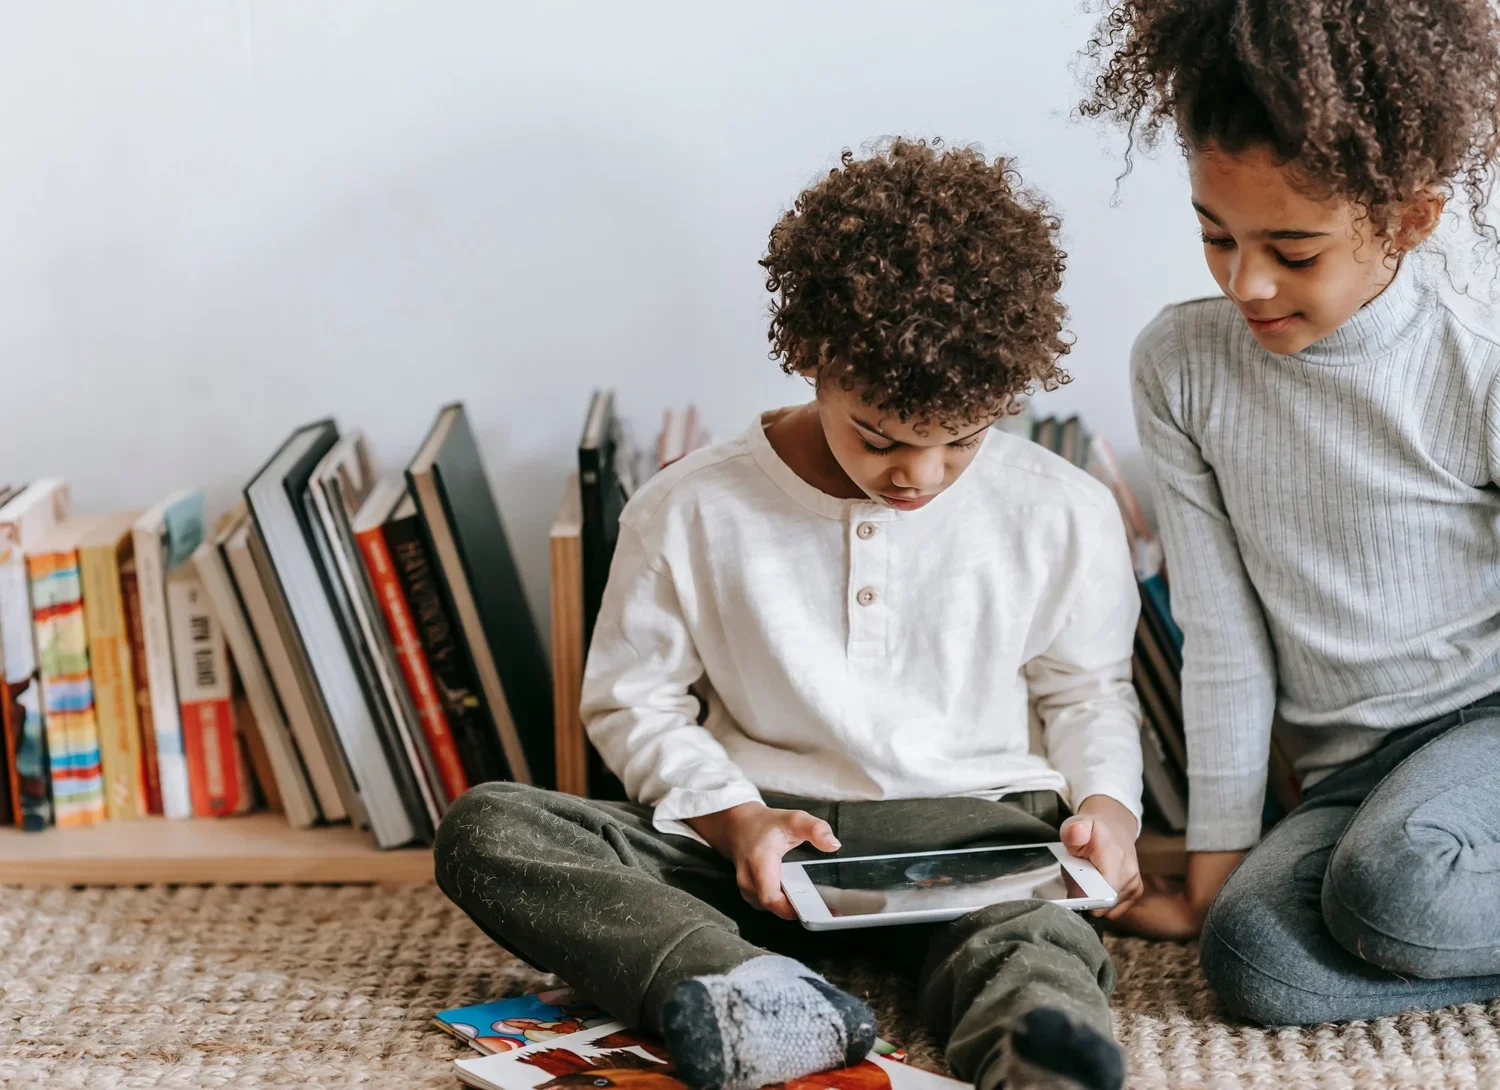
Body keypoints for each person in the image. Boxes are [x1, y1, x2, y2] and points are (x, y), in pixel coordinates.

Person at [436, 138, 1144, 1090]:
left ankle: (1044, 1060)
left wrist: (1106, 806)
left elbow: (1086, 690)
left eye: (963, 442)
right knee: (491, 828)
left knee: (1029, 941)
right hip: (765, 845)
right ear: (813, 358)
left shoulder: (1062, 509)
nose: (918, 476)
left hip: (977, 837)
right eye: (883, 437)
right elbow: (634, 701)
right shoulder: (688, 506)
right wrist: (734, 818)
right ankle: (749, 991)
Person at [1081, 0, 1500, 1025]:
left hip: (1483, 729)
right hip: (1350, 779)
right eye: (1215, 235)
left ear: (1409, 218)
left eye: (1294, 251)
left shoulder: (1474, 360)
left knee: (1393, 887)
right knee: (1250, 958)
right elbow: (1221, 636)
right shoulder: (1181, 367)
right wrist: (1216, 866)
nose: (1247, 282)